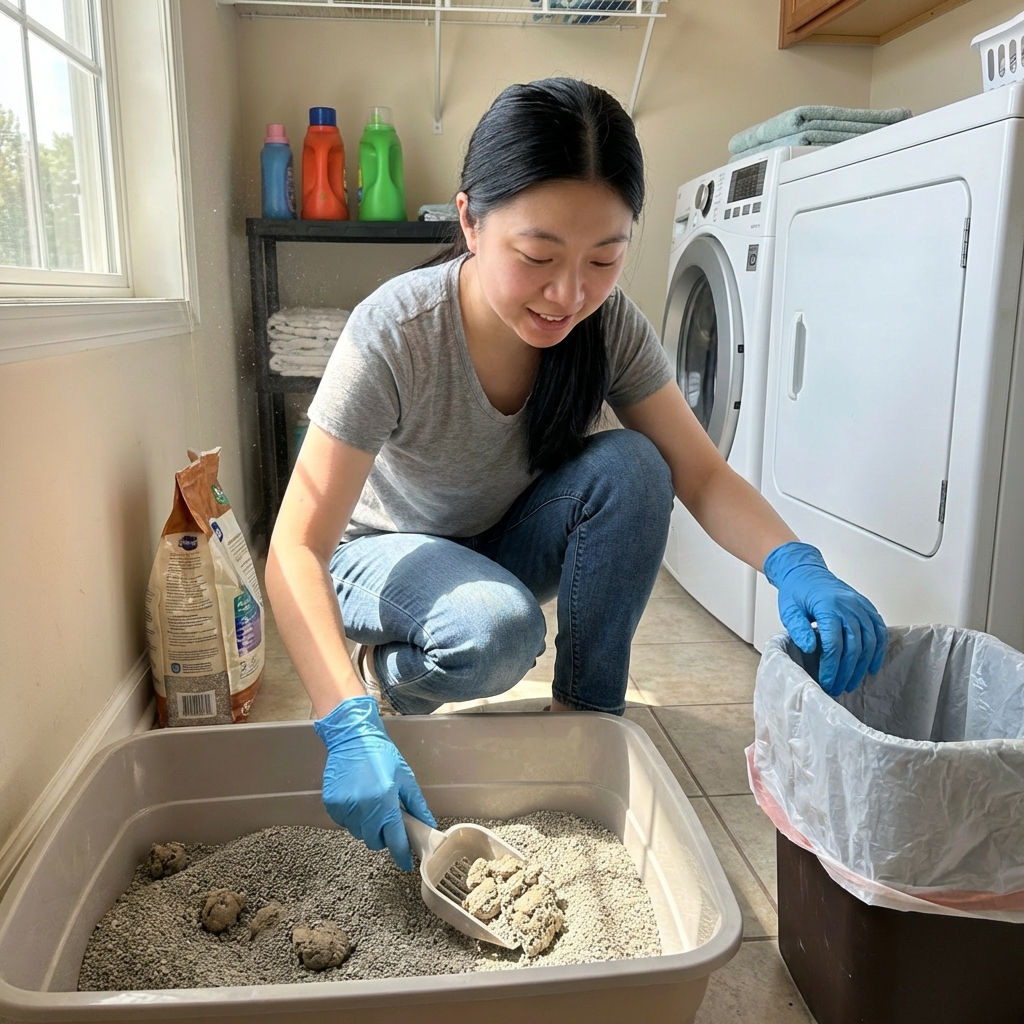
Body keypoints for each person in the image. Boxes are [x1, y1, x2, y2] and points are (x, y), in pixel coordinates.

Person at [266, 78, 888, 873]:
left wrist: (796, 564)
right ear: (469, 221)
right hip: (383, 555)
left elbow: (697, 471)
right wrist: (344, 721)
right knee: (495, 632)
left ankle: (585, 728)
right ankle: (392, 671)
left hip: (500, 537)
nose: (570, 294)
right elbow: (295, 546)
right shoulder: (397, 332)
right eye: (537, 257)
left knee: (636, 463)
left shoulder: (609, 327)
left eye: (604, 259)